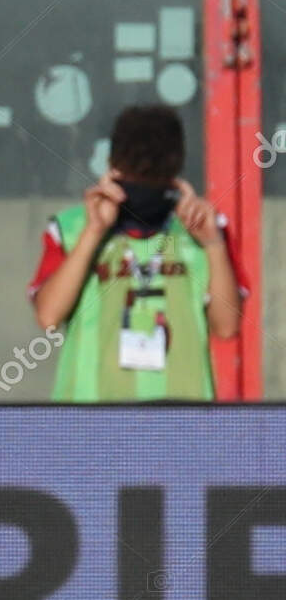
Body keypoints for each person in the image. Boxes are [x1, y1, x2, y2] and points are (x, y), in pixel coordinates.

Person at [30, 104, 244, 401]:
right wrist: (94, 232)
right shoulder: (72, 227)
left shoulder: (204, 229)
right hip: (87, 421)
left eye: (154, 180)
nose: (143, 190)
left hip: (180, 419)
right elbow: (49, 316)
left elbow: (226, 325)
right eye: (135, 178)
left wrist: (213, 245)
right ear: (113, 166)